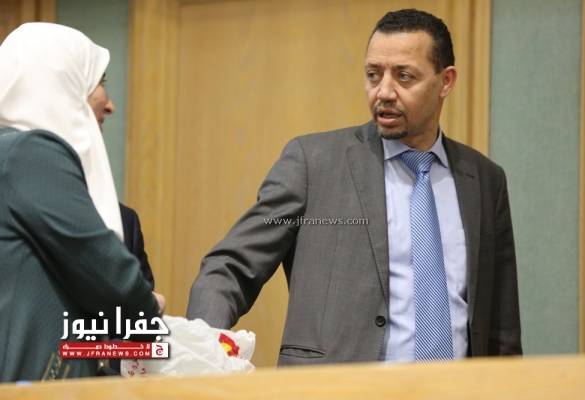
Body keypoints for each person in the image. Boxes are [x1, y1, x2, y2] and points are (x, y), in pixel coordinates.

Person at [187, 9, 521, 365]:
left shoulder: (485, 180)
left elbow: (501, 326)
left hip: (457, 386)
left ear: (446, 81)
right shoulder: (313, 163)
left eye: (404, 76)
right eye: (373, 75)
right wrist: (202, 352)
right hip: (337, 385)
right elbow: (231, 267)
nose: (384, 92)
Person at [0, 23, 161, 381]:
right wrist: (151, 307)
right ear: (60, 80)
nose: (110, 105)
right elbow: (117, 284)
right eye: (99, 81)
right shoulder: (29, 155)